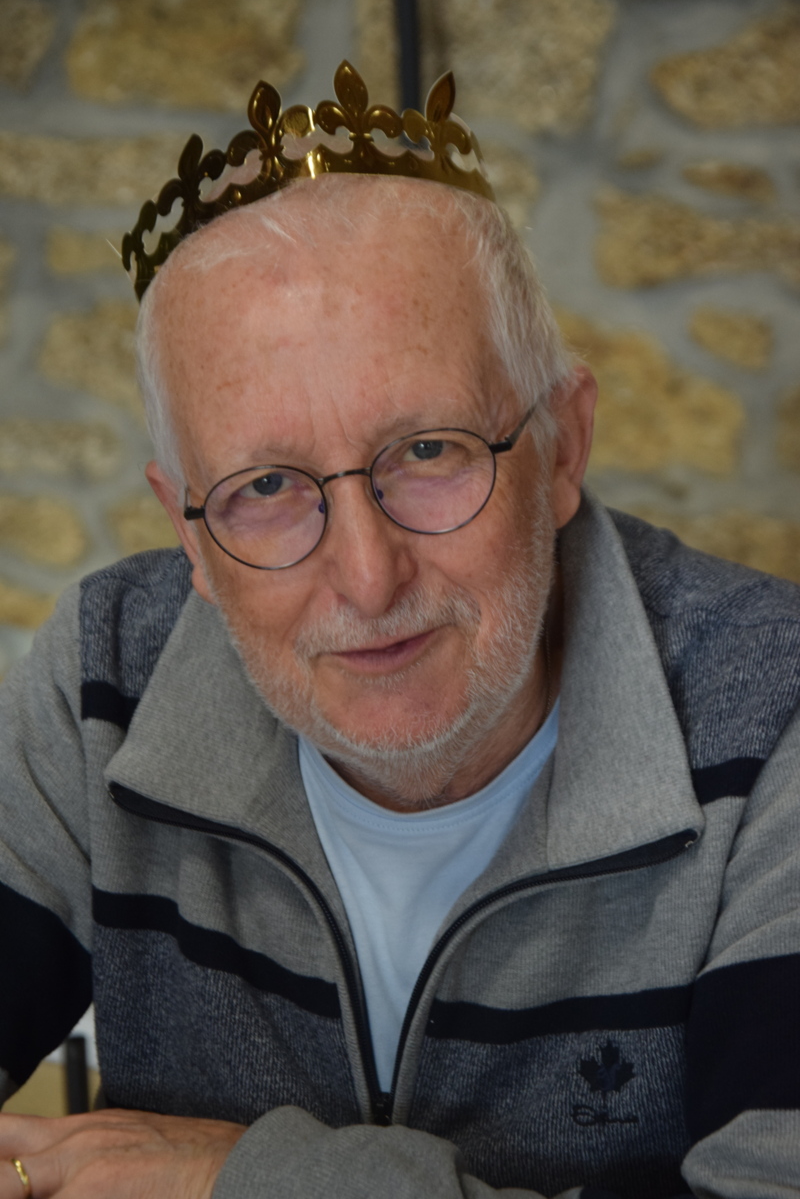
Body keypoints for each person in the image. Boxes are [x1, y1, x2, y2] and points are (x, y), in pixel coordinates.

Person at [1, 63, 799, 1199]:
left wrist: (245, 1184)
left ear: (561, 449)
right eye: (265, 487)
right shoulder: (101, 684)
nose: (367, 579)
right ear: (190, 538)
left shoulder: (774, 719)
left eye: (429, 451)